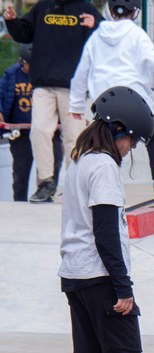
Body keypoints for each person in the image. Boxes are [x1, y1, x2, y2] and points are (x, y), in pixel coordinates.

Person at [60, 86, 154, 353]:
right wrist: (123, 287)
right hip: (100, 278)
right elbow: (104, 232)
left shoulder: (80, 162)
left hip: (74, 275)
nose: (130, 147)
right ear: (118, 129)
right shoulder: (102, 166)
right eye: (132, 139)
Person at [69, 0, 154, 200]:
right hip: (135, 100)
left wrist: (76, 104)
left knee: (106, 142)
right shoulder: (136, 34)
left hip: (105, 101)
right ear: (135, 13)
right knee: (153, 137)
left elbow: (82, 70)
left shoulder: (97, 36)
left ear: (110, 11)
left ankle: (101, 188)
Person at [3, 0, 102, 203]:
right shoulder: (43, 7)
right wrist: (12, 21)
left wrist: (97, 24)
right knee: (39, 130)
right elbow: (25, 33)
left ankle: (75, 184)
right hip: (43, 84)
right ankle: (46, 183)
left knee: (73, 137)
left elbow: (104, 37)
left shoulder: (84, 8)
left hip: (73, 86)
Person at [0, 43, 63, 202]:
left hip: (50, 132)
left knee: (51, 167)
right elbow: (2, 94)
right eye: (30, 64)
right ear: (23, 62)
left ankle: (46, 198)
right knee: (21, 173)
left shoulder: (48, 74)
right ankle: (19, 203)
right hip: (22, 134)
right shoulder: (12, 74)